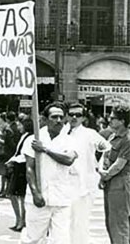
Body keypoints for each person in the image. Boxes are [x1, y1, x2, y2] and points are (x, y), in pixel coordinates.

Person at [20, 102, 78, 244]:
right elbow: (29, 168)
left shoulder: (69, 140)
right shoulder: (33, 140)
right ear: (45, 119)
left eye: (61, 117)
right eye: (54, 117)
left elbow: (69, 159)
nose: (58, 121)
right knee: (33, 238)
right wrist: (35, 193)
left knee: (61, 240)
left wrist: (45, 149)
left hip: (61, 198)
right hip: (40, 197)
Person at [67, 103, 110, 244]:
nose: (74, 117)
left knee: (80, 221)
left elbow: (106, 147)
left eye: (78, 115)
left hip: (83, 184)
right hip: (64, 183)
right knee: (64, 220)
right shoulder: (61, 132)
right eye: (71, 114)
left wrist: (100, 167)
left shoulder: (89, 133)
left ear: (83, 118)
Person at [99, 105, 130, 244]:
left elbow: (119, 164)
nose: (109, 120)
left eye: (113, 118)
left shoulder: (127, 139)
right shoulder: (113, 136)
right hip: (111, 181)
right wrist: (102, 173)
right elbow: (105, 156)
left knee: (119, 222)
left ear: (122, 121)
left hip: (121, 181)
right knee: (111, 221)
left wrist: (105, 175)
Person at [5, 118, 33, 232]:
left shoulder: (30, 137)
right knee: (14, 195)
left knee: (20, 196)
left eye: (20, 125)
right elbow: (19, 151)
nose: (19, 127)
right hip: (17, 165)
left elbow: (24, 155)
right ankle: (19, 219)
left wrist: (13, 160)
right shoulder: (24, 136)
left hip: (22, 166)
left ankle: (22, 220)